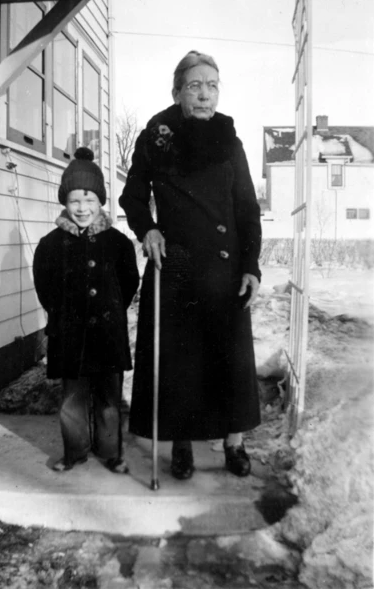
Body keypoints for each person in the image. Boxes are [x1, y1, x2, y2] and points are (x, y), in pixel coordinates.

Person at [119, 50, 262, 481]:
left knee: (229, 359)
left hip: (225, 266)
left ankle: (234, 443)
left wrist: (251, 266)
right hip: (176, 262)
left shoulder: (229, 140)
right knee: (180, 362)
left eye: (212, 85)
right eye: (195, 85)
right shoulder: (157, 136)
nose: (205, 95)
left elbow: (247, 209)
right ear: (178, 90)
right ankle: (181, 442)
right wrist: (148, 229)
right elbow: (132, 196)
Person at [33, 147, 139, 473]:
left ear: (101, 202)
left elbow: (129, 282)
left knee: (108, 400)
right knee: (71, 400)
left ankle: (110, 452)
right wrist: (61, 313)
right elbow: (44, 284)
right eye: (75, 201)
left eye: (89, 200)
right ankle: (74, 452)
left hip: (107, 333)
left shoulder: (117, 243)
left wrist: (110, 309)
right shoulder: (51, 244)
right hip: (69, 333)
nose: (82, 209)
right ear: (65, 202)